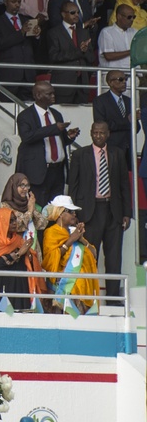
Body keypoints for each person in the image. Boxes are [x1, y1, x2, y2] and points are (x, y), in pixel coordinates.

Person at [68, 121, 131, 305]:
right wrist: (73, 213)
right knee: (89, 255)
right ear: (90, 133)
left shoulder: (117, 154)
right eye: (95, 133)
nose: (98, 136)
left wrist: (127, 212)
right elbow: (73, 186)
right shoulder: (80, 154)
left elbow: (124, 186)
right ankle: (88, 299)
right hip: (89, 212)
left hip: (113, 211)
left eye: (102, 133)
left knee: (113, 257)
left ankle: (112, 299)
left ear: (108, 134)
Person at [0, 173, 47, 311]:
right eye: (21, 185)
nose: (25, 189)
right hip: (12, 248)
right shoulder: (5, 205)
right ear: (13, 186)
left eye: (27, 185)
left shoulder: (29, 204)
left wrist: (32, 208)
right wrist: (30, 211)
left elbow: (42, 223)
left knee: (29, 282)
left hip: (28, 247)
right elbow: (18, 224)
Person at [42, 195, 100, 313]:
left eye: (74, 212)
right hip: (65, 287)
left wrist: (81, 239)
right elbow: (50, 260)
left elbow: (93, 254)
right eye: (70, 211)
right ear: (60, 213)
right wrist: (70, 241)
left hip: (84, 288)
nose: (74, 214)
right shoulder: (51, 233)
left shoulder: (74, 233)